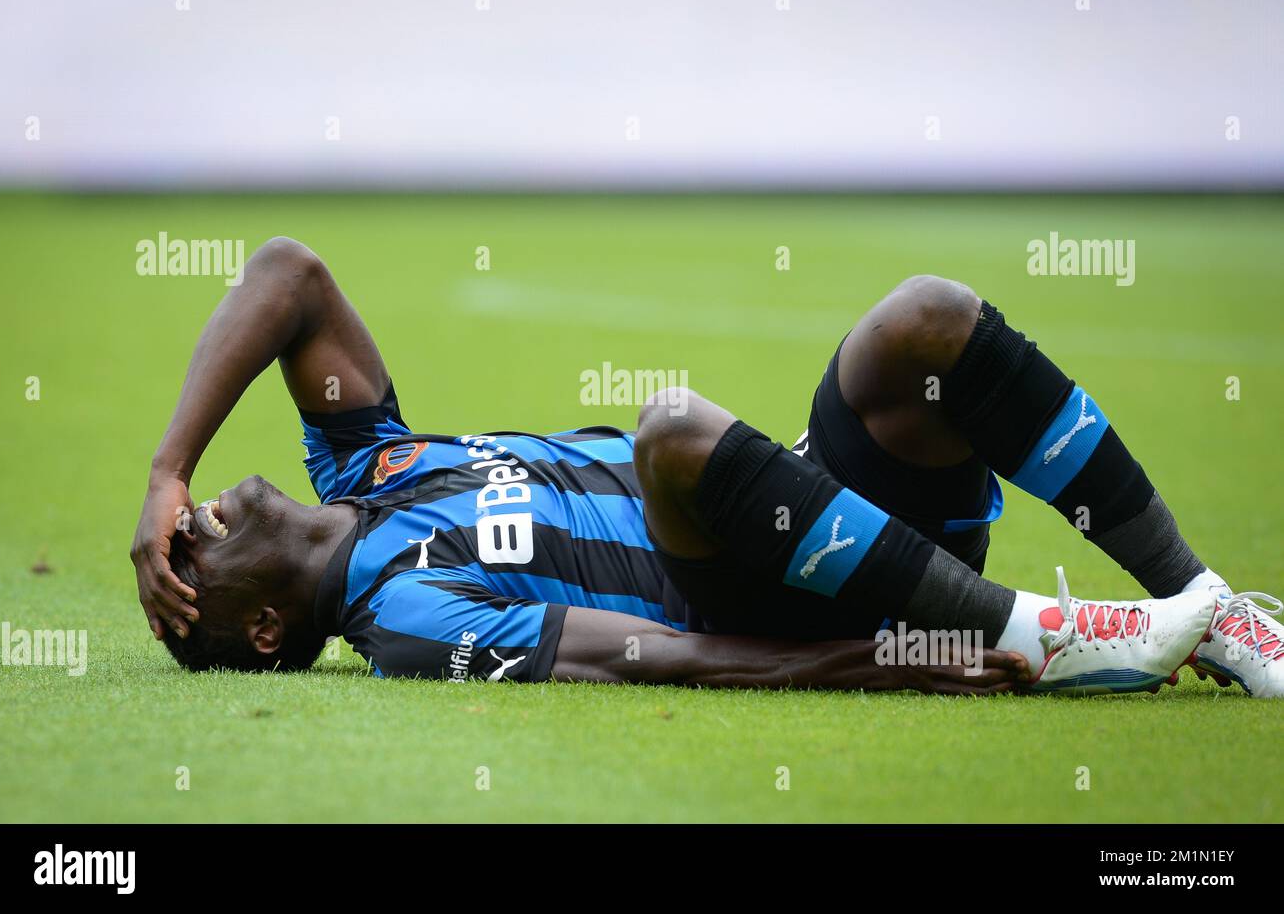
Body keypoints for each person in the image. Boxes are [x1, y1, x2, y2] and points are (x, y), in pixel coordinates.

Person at [130, 238, 1282, 697]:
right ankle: (1033, 628)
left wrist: (163, 473)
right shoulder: (402, 619)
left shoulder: (361, 455)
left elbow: (288, 275)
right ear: (270, 629)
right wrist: (913, 653)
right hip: (757, 591)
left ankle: (1212, 607)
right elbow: (653, 653)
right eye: (196, 561)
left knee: (924, 323)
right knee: (670, 429)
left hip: (812, 516)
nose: (198, 523)